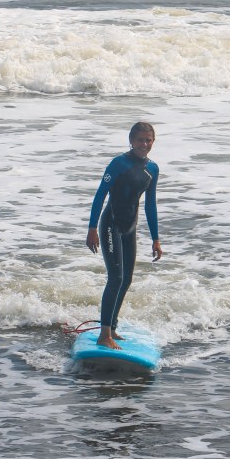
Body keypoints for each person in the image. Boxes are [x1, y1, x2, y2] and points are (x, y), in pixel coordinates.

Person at [86, 122, 162, 350]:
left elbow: (150, 206)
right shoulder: (118, 163)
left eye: (148, 140)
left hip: (130, 228)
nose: (144, 144)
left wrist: (156, 239)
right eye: (140, 140)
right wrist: (91, 229)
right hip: (111, 224)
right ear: (131, 141)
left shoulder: (153, 169)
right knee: (115, 278)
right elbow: (100, 195)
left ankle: (113, 328)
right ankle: (104, 334)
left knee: (126, 279)